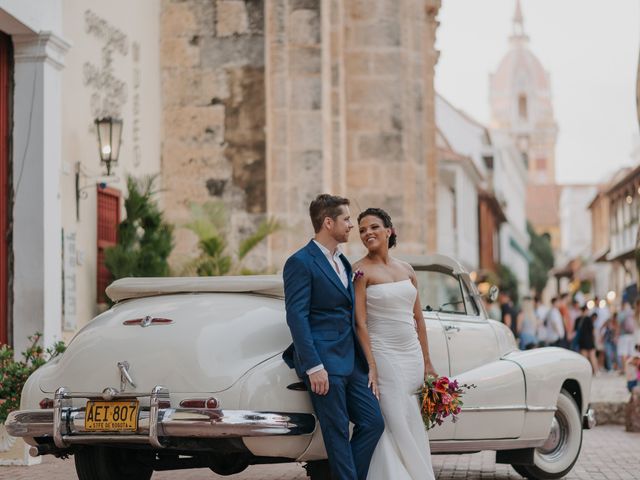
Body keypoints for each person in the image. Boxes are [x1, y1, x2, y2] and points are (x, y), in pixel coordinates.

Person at [282, 194, 384, 480]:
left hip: (351, 359)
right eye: (347, 219)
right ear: (328, 222)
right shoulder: (300, 262)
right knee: (337, 430)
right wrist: (314, 366)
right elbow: (297, 316)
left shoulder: (343, 261)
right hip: (323, 363)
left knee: (373, 422)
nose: (352, 225)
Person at [353, 207, 436, 480]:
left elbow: (419, 320)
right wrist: (372, 365)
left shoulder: (407, 269)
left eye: (374, 227)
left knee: (411, 416)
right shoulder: (359, 271)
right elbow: (360, 323)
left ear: (389, 231)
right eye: (363, 230)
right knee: (393, 419)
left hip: (411, 353)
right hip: (383, 353)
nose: (368, 233)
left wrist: (427, 362)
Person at [575, 307, 598, 374]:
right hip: (589, 340)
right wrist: (595, 339)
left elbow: (575, 330)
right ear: (586, 310)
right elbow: (592, 330)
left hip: (582, 341)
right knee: (592, 356)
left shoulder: (578, 319)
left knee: (584, 358)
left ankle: (585, 372)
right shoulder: (588, 319)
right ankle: (596, 371)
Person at [617, 301, 637, 369]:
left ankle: (625, 369)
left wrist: (616, 335)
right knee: (632, 353)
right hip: (632, 335)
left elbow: (618, 325)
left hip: (623, 336)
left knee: (623, 353)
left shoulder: (621, 314)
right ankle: (633, 369)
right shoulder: (632, 312)